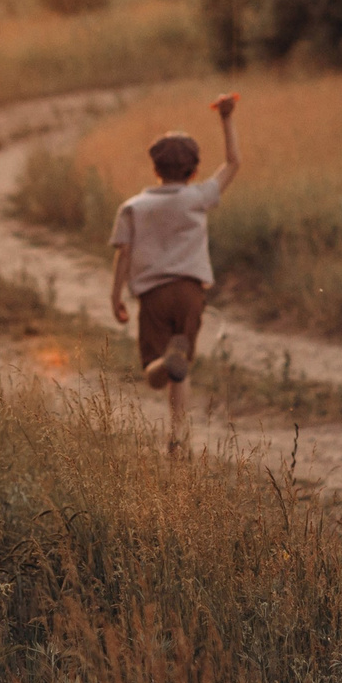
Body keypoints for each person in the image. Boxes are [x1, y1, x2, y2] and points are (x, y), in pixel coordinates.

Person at [109, 94, 240, 454]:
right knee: (180, 368)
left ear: (155, 167)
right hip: (190, 292)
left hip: (153, 295)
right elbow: (233, 163)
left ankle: (167, 373)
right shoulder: (198, 197)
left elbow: (123, 253)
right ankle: (178, 437)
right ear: (194, 170)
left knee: (156, 374)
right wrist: (226, 118)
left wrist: (115, 296)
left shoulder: (133, 207)